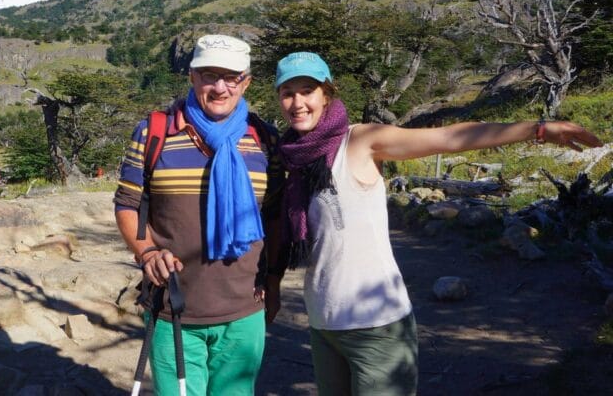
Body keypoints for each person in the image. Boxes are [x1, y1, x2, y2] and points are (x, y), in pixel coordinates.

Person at [270, 51, 603, 396]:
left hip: (376, 326)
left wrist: (536, 130)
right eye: (287, 92)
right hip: (323, 324)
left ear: (327, 93)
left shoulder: (360, 142)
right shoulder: (293, 158)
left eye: (307, 90)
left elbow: (450, 138)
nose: (297, 102)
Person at [113, 34, 283, 396]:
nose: (220, 87)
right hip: (171, 309)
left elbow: (275, 218)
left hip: (244, 313)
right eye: (209, 75)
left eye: (232, 77)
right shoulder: (153, 132)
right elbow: (127, 204)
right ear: (191, 77)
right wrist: (146, 252)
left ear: (246, 81)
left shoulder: (265, 140)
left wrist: (274, 282)